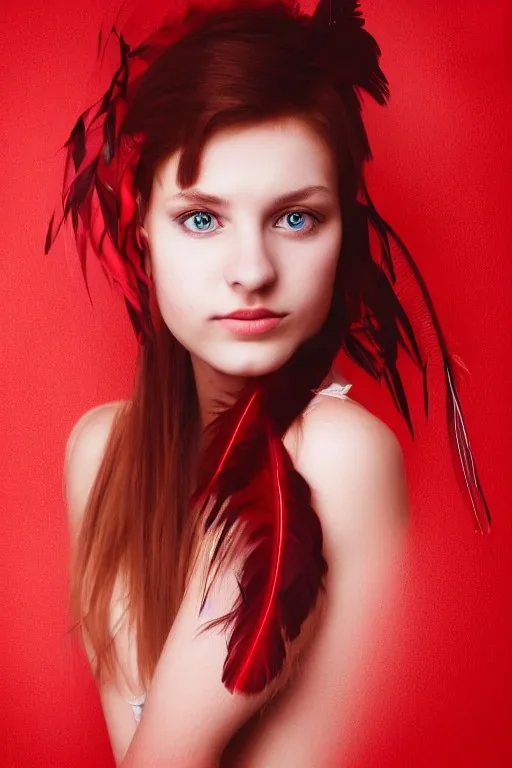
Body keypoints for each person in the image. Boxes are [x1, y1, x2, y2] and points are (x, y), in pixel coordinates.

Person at [47, 0, 491, 765]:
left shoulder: (339, 454)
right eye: (201, 219)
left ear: (342, 232)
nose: (252, 271)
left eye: (294, 219)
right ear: (140, 229)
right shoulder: (101, 450)